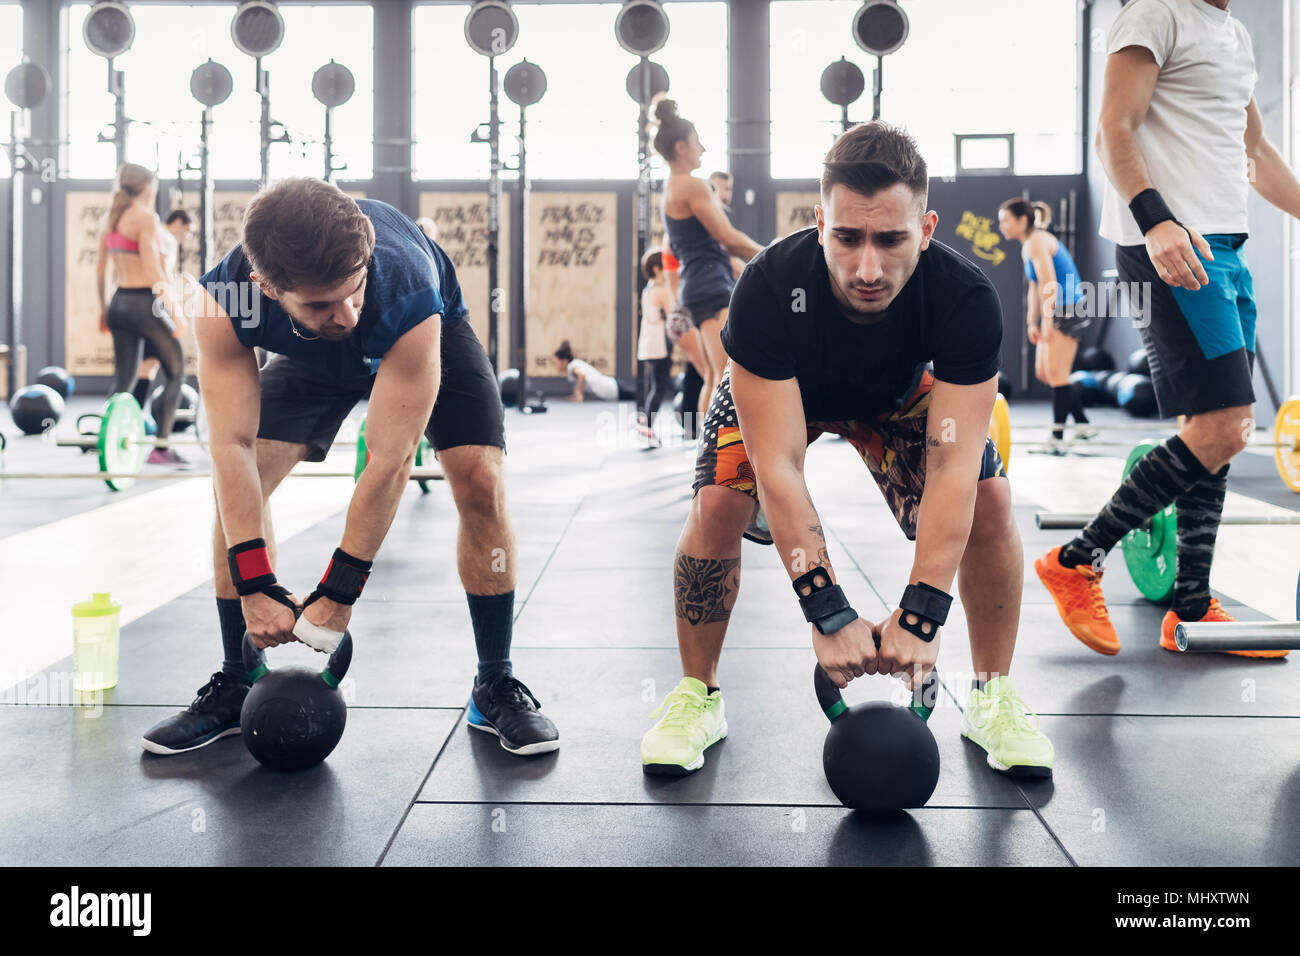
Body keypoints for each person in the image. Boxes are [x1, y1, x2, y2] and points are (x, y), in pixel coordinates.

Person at [640, 122, 1054, 779]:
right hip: (788, 392)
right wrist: (825, 606)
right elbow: (777, 463)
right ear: (819, 221)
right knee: (718, 500)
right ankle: (698, 694)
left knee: (988, 495)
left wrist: (922, 611)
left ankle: (992, 694)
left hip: (896, 396)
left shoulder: (964, 298)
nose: (868, 268)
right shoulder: (771, 288)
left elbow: (950, 460)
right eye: (847, 237)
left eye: (891, 240)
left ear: (926, 228)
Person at [140, 179, 560, 757]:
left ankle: (495, 681)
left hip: (419, 338)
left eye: (353, 290)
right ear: (264, 286)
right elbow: (229, 446)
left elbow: (389, 462)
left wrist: (338, 593)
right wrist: (256, 585)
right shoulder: (223, 298)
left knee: (481, 480)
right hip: (308, 356)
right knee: (244, 480)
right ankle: (236, 681)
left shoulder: (402, 283)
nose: (346, 313)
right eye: (321, 302)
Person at [1036, 0, 1295, 659]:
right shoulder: (1155, 14)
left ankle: (1190, 607)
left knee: (1213, 432)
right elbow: (1112, 131)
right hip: (1172, 246)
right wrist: (1155, 222)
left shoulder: (1232, 34)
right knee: (1228, 425)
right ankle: (1076, 558)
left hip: (1222, 249)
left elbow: (1257, 152)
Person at [654, 100, 764, 425]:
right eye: (696, 142)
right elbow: (728, 238)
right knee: (726, 378)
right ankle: (713, 461)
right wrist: (772, 257)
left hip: (700, 287)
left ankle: (708, 458)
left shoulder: (672, 187)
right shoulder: (690, 184)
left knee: (716, 377)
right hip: (710, 287)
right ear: (680, 147)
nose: (702, 149)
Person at [95, 163, 188, 465]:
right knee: (176, 372)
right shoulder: (146, 218)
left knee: (125, 380)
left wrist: (102, 309)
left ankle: (107, 440)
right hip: (142, 303)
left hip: (118, 303)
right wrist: (175, 310)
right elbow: (152, 268)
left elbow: (100, 271)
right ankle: (161, 448)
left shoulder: (110, 219)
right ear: (148, 187)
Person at [997, 198, 1096, 452]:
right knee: (1045, 373)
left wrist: (1049, 320)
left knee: (1057, 373)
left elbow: (1049, 281)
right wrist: (1033, 322)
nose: (1002, 226)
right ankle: (1083, 424)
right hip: (1057, 309)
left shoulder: (1038, 240)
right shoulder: (1027, 245)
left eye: (1006, 220)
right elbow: (1034, 287)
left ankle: (1056, 439)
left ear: (1022, 220)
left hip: (1068, 308)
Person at [132, 209, 197, 420]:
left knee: (148, 363)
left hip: (142, 304)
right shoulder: (166, 238)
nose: (187, 237)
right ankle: (160, 439)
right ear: (177, 221)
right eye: (187, 230)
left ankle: (133, 416)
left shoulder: (158, 235)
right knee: (176, 372)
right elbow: (161, 272)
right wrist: (174, 308)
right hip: (155, 306)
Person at [638, 248, 674, 445]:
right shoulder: (660, 291)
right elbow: (673, 315)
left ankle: (646, 423)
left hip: (650, 344)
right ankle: (647, 426)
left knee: (655, 385)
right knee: (659, 386)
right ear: (657, 269)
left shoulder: (648, 289)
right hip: (659, 345)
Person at [553, 340, 634, 402]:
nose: (555, 366)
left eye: (556, 363)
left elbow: (582, 376)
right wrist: (575, 395)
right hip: (613, 386)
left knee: (638, 395)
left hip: (613, 389)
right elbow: (579, 381)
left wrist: (579, 395)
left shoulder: (572, 366)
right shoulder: (574, 364)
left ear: (564, 361)